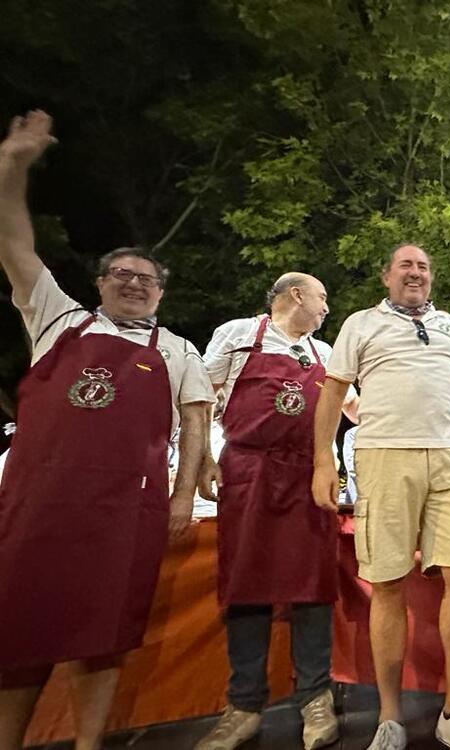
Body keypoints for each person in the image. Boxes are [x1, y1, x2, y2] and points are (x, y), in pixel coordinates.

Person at [0, 111, 214, 750]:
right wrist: (13, 167)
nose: (134, 284)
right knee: (20, 635)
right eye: (121, 275)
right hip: (39, 503)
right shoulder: (57, 322)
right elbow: (14, 246)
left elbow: (196, 424)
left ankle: (90, 743)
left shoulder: (176, 349)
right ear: (99, 284)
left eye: (146, 280)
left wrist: (182, 497)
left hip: (126, 509)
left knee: (102, 637)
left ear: (159, 294)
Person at [312, 244, 450, 750]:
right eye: (406, 266)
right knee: (388, 583)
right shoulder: (360, 324)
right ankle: (389, 717)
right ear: (386, 275)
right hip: (384, 455)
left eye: (424, 267)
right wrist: (324, 461)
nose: (416, 274)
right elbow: (332, 391)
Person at [194, 274, 359, 750]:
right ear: (297, 295)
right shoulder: (239, 335)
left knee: (313, 584)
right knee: (245, 582)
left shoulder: (326, 354)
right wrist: (204, 455)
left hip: (310, 474)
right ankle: (244, 706)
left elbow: (355, 408)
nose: (327, 307)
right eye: (324, 297)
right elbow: (201, 398)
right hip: (248, 470)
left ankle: (315, 698)